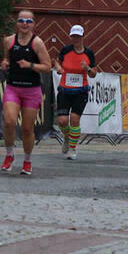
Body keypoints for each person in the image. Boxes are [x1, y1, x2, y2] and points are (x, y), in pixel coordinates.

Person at [0, 9, 52, 176]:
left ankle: (27, 160)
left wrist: (30, 65)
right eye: (21, 20)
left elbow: (47, 67)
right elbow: (7, 57)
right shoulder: (9, 41)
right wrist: (5, 62)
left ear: (33, 24)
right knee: (9, 122)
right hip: (13, 88)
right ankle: (9, 155)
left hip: (31, 90)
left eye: (28, 21)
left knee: (27, 129)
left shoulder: (37, 43)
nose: (24, 24)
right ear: (17, 23)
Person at [53, 24, 98, 160]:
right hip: (65, 90)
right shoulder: (66, 50)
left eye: (78, 36)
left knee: (74, 119)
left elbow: (93, 74)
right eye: (74, 36)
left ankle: (72, 148)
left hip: (80, 92)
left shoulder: (89, 53)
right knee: (62, 121)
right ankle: (67, 137)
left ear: (83, 37)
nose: (76, 39)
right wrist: (58, 68)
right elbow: (56, 62)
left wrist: (87, 68)